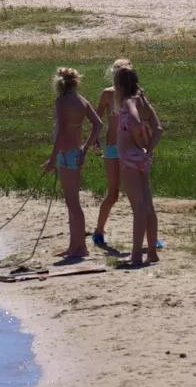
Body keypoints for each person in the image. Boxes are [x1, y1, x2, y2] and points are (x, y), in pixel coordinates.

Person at [42, 67, 104, 261]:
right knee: (72, 202)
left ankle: (81, 247)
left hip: (66, 154)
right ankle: (73, 245)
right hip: (75, 153)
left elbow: (60, 132)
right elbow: (98, 124)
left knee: (73, 203)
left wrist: (52, 159)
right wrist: (85, 149)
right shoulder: (81, 100)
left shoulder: (61, 102)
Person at [114, 65, 163, 267]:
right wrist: (148, 149)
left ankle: (136, 254)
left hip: (129, 157)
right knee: (148, 205)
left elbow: (134, 121)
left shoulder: (128, 101)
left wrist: (136, 137)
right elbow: (158, 128)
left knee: (139, 207)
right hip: (142, 157)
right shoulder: (143, 99)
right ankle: (151, 251)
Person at [92, 58, 132, 249]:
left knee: (137, 194)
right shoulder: (108, 94)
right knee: (113, 193)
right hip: (112, 147)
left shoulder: (136, 94)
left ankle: (149, 234)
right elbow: (96, 118)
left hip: (131, 147)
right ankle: (98, 231)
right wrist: (94, 139)